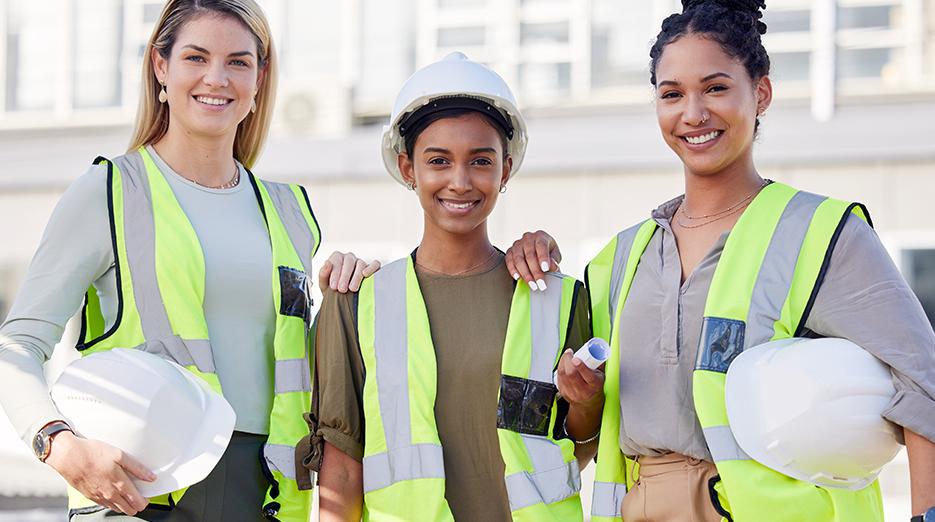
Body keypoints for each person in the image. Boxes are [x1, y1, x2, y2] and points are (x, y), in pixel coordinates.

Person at [504, 0, 935, 521]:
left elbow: (924, 379)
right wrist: (584, 397)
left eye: (715, 87)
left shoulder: (822, 234)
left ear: (762, 92)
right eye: (672, 94)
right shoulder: (619, 258)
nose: (693, 113)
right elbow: (584, 436)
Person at [0, 1, 372, 521]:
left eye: (239, 62)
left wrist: (355, 289)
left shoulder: (293, 211)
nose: (216, 78)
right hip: (139, 492)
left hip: (267, 495)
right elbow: (17, 344)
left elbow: (302, 361)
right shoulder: (108, 192)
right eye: (196, 57)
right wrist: (57, 445)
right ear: (160, 67)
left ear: (260, 78)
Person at [300, 52, 601, 522]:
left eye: (480, 161)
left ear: (505, 171)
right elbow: (341, 467)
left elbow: (579, 446)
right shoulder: (358, 303)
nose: (459, 182)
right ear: (407, 168)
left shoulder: (557, 298)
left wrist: (587, 402)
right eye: (438, 160)